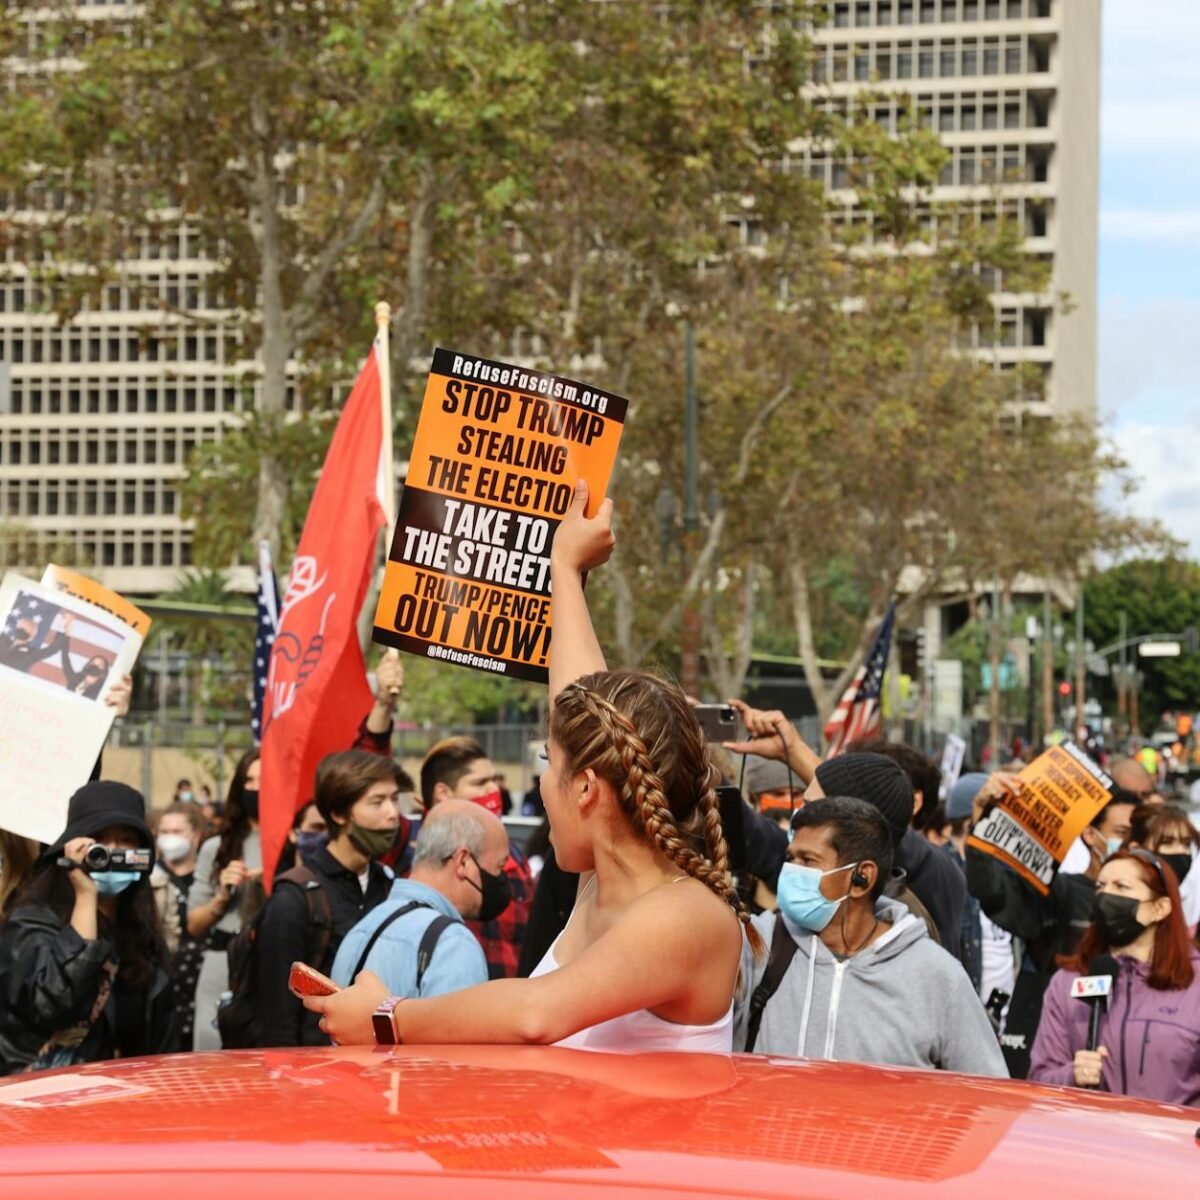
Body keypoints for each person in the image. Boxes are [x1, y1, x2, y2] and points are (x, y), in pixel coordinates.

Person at [304, 478, 751, 1050]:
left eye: (549, 761)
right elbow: (579, 703)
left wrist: (387, 1017)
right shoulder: (606, 883)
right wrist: (563, 569)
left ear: (586, 789)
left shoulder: (683, 914)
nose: (541, 781)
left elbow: (537, 1014)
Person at [733, 796, 1006, 1077]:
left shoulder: (937, 976)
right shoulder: (757, 943)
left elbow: (990, 1094)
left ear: (861, 878)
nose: (791, 871)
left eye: (808, 861)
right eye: (791, 858)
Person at [726, 709, 965, 955]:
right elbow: (753, 835)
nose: (801, 815)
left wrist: (795, 751)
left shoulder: (916, 945)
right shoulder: (780, 941)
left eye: (814, 806)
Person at [0, 782, 176, 1074]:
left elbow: (160, 1034)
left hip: (118, 1099)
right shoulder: (31, 923)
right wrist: (85, 896)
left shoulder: (141, 935)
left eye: (126, 840)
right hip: (37, 1095)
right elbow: (52, 1003)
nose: (112, 852)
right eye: (99, 843)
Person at [966, 778, 1137, 1078]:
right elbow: (992, 890)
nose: (1132, 844)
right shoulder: (1059, 893)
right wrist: (982, 821)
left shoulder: (1154, 904)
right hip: (1049, 1054)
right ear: (1090, 834)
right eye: (1122, 833)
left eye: (1139, 836)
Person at [1029, 848, 1200, 1107]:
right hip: (1089, 1140)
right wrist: (1071, 1075)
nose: (1107, 895)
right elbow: (1038, 1080)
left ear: (1160, 908)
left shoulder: (1194, 984)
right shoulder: (1067, 983)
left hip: (1173, 1144)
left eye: (1122, 887)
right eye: (1101, 886)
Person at [254, 751, 402, 1047]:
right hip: (314, 1076)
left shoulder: (388, 886)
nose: (393, 813)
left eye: (395, 799)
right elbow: (277, 1022)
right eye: (377, 802)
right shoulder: (293, 900)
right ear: (338, 814)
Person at [331, 800, 502, 997]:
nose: (501, 880)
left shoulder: (362, 930)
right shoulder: (452, 945)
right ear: (463, 861)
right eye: (499, 866)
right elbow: (461, 1028)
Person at [420, 735, 533, 979]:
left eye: (493, 779)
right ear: (443, 793)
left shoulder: (512, 855)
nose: (493, 790)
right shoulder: (419, 855)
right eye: (480, 782)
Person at [186, 748, 262, 1050]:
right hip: (222, 967)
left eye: (264, 780)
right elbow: (194, 925)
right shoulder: (216, 848)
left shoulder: (296, 844)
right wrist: (222, 896)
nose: (256, 788)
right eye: (249, 780)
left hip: (272, 964)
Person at [150, 802, 206, 1048]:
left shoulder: (207, 879)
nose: (169, 838)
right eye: (164, 832)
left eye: (177, 832)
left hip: (200, 977)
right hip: (165, 975)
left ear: (196, 836)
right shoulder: (151, 878)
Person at [1126, 803, 1200, 932]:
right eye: (1167, 842)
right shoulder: (1121, 902)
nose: (1180, 851)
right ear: (1137, 849)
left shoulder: (1192, 908)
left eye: (1186, 844)